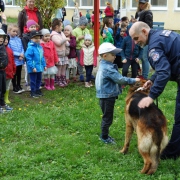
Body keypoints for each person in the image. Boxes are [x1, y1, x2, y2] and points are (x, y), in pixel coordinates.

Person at [129, 21, 180, 160]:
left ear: (144, 32)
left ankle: (171, 153)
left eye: (136, 38)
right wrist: (152, 79)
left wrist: (151, 96)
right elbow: (167, 63)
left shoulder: (154, 48)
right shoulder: (160, 35)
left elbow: (164, 72)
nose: (136, 42)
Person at [95, 42, 140, 144]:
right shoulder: (108, 68)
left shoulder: (104, 64)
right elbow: (120, 79)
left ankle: (104, 134)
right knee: (108, 117)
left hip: (105, 95)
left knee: (107, 115)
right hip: (107, 96)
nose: (115, 57)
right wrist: (134, 80)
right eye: (113, 55)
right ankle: (104, 137)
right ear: (105, 56)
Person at [135, 0, 153, 79]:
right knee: (139, 56)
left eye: (143, 3)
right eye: (140, 3)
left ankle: (145, 77)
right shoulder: (138, 13)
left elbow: (148, 26)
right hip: (138, 37)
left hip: (145, 38)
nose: (141, 5)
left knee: (144, 57)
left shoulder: (148, 13)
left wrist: (138, 23)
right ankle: (140, 74)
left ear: (146, 4)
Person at [25, 30, 47, 98]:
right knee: (33, 80)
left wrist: (44, 65)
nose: (37, 39)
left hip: (39, 67)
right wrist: (32, 67)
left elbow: (42, 57)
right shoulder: (30, 48)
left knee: (39, 79)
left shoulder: (40, 47)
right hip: (33, 68)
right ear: (31, 38)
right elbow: (28, 58)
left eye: (38, 38)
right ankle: (33, 92)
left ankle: (37, 90)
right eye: (35, 38)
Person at [50, 18, 69, 88]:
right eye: (61, 26)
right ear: (57, 27)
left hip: (64, 54)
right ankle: (58, 80)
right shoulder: (53, 35)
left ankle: (63, 79)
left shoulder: (61, 33)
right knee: (59, 68)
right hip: (58, 54)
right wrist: (66, 39)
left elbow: (66, 43)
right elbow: (58, 43)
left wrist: (67, 42)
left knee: (64, 67)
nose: (62, 28)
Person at [22, 19, 39, 91]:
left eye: (34, 26)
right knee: (29, 71)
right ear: (28, 28)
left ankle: (35, 83)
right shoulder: (25, 37)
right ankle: (28, 83)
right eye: (31, 27)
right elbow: (25, 48)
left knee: (35, 70)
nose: (33, 28)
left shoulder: (36, 35)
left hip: (35, 57)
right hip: (28, 58)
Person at [8, 24, 25, 94]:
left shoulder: (19, 39)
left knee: (19, 73)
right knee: (14, 74)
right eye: (13, 31)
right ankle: (14, 86)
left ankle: (19, 85)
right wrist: (19, 54)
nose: (15, 33)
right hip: (14, 60)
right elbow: (10, 50)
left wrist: (22, 54)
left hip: (20, 60)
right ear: (9, 31)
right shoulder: (8, 40)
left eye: (16, 31)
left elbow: (22, 48)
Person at [72, 16, 90, 82]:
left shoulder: (87, 30)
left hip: (86, 48)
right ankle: (81, 74)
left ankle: (88, 73)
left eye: (86, 25)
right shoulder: (75, 31)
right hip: (79, 48)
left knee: (87, 61)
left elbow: (90, 38)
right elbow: (73, 41)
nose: (85, 26)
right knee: (80, 61)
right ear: (80, 24)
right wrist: (78, 39)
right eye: (84, 25)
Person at [0, 29, 13, 113]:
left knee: (3, 89)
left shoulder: (2, 47)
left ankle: (2, 104)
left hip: (3, 71)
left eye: (2, 37)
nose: (1, 39)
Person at [4, 35, 16, 104]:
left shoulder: (10, 50)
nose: (6, 41)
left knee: (7, 85)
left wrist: (14, 69)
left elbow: (12, 60)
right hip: (3, 72)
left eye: (7, 39)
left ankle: (6, 98)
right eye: (4, 39)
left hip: (9, 71)